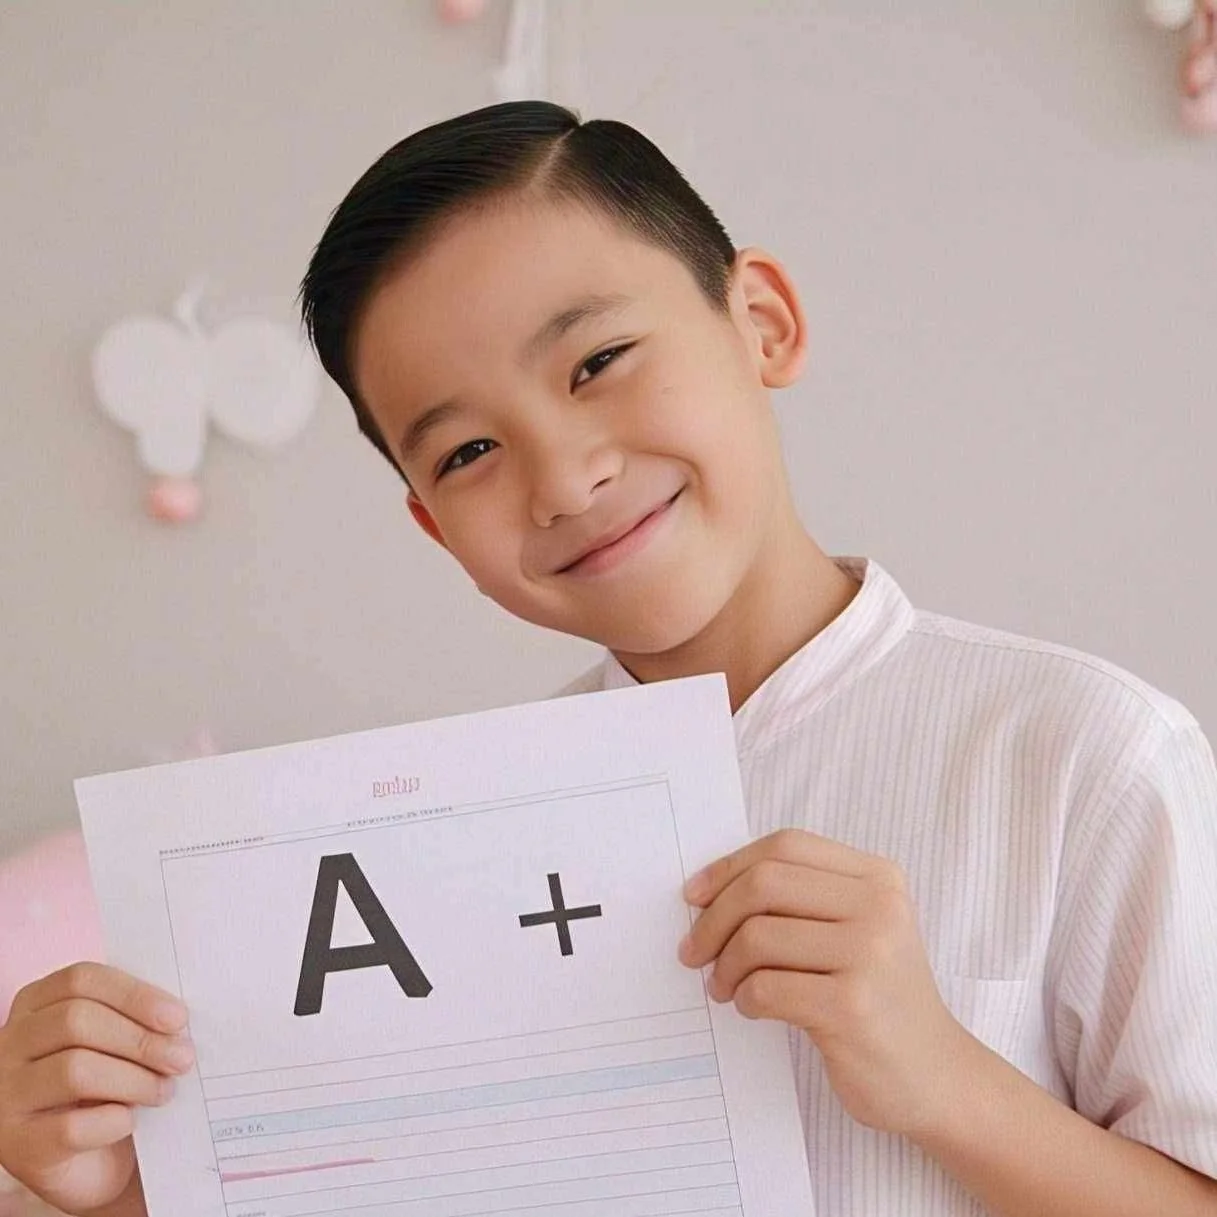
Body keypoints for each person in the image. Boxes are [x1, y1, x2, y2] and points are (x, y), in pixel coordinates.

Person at [1, 100, 1216, 1217]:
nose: (566, 475)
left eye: (595, 363)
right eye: (468, 451)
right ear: (433, 523)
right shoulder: (454, 839)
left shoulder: (1085, 753)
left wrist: (942, 1076)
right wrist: (110, 1189)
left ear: (761, 324)